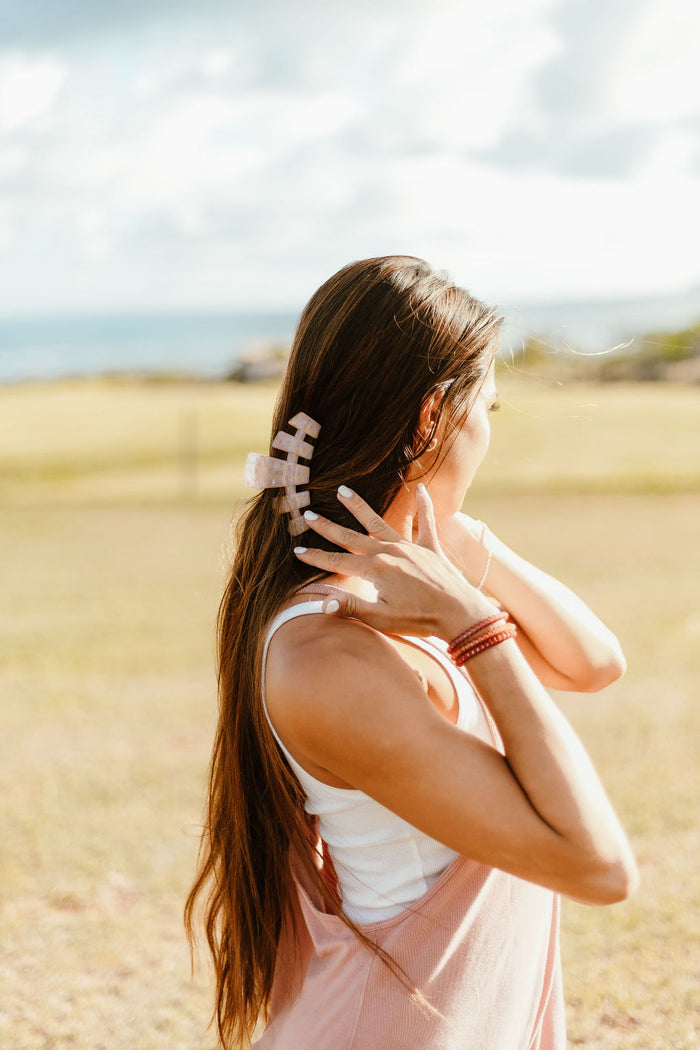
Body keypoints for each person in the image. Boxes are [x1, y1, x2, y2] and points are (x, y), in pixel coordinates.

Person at [185, 256, 638, 1050]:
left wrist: (462, 543)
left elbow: (594, 663)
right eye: (486, 406)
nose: (489, 431)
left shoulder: (413, 588)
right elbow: (597, 867)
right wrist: (477, 627)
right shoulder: (330, 656)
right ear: (433, 416)